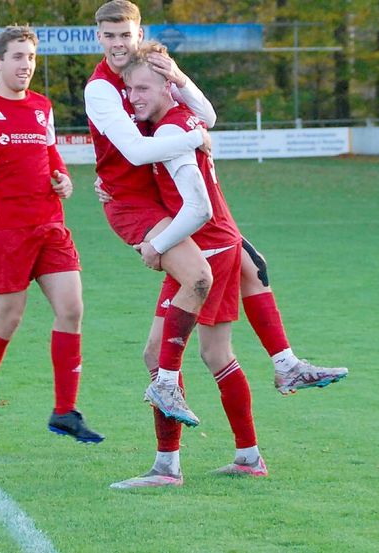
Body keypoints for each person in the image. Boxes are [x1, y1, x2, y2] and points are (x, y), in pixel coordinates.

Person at [84, 0, 347, 488]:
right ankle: (253, 428)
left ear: (139, 33)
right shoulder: (111, 91)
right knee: (216, 344)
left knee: (190, 345)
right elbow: (149, 145)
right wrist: (193, 133)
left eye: (126, 34)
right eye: (110, 36)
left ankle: (172, 455)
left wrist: (187, 120)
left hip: (189, 228)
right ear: (99, 38)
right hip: (179, 220)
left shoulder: (166, 101)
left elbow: (195, 145)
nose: (119, 45)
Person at [114, 41, 268, 488]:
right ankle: (247, 456)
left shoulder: (168, 133)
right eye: (128, 88)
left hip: (206, 251)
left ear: (167, 87)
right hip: (213, 247)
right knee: (215, 353)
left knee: (161, 353)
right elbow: (206, 116)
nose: (134, 96)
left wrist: (155, 244)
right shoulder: (182, 120)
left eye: (143, 87)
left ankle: (168, 466)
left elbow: (196, 207)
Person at [0, 25, 103, 452]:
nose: (26, 66)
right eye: (18, 57)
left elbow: (49, 151)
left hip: (49, 223)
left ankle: (64, 411)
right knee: (9, 318)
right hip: (7, 229)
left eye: (31, 58)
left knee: (72, 309)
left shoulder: (41, 106)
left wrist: (62, 178)